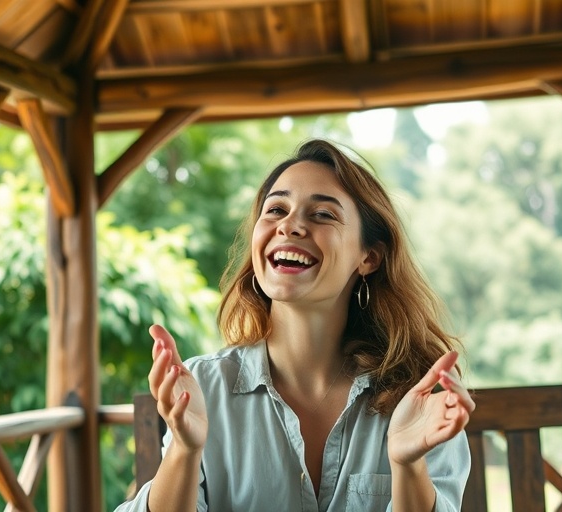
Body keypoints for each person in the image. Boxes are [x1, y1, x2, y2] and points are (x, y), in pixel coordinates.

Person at [116, 139, 474, 511]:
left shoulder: (420, 396)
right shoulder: (204, 388)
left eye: (322, 214)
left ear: (369, 257)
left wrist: (407, 465)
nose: (290, 226)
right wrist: (184, 452)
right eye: (276, 210)